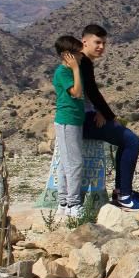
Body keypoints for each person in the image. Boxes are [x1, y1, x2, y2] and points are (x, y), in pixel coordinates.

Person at [79, 24, 139, 211]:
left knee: (126, 141)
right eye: (97, 42)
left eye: (104, 43)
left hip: (89, 115)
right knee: (132, 141)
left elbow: (90, 93)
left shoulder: (81, 61)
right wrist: (110, 116)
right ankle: (124, 195)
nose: (101, 46)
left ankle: (121, 192)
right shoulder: (82, 61)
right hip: (84, 120)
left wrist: (103, 113)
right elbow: (92, 92)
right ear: (84, 41)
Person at [52, 36, 85, 218]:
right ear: (67, 55)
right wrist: (75, 69)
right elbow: (77, 93)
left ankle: (64, 202)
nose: (81, 56)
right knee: (74, 163)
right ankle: (73, 204)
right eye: (77, 53)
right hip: (67, 121)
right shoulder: (63, 73)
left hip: (74, 120)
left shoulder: (69, 71)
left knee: (66, 163)